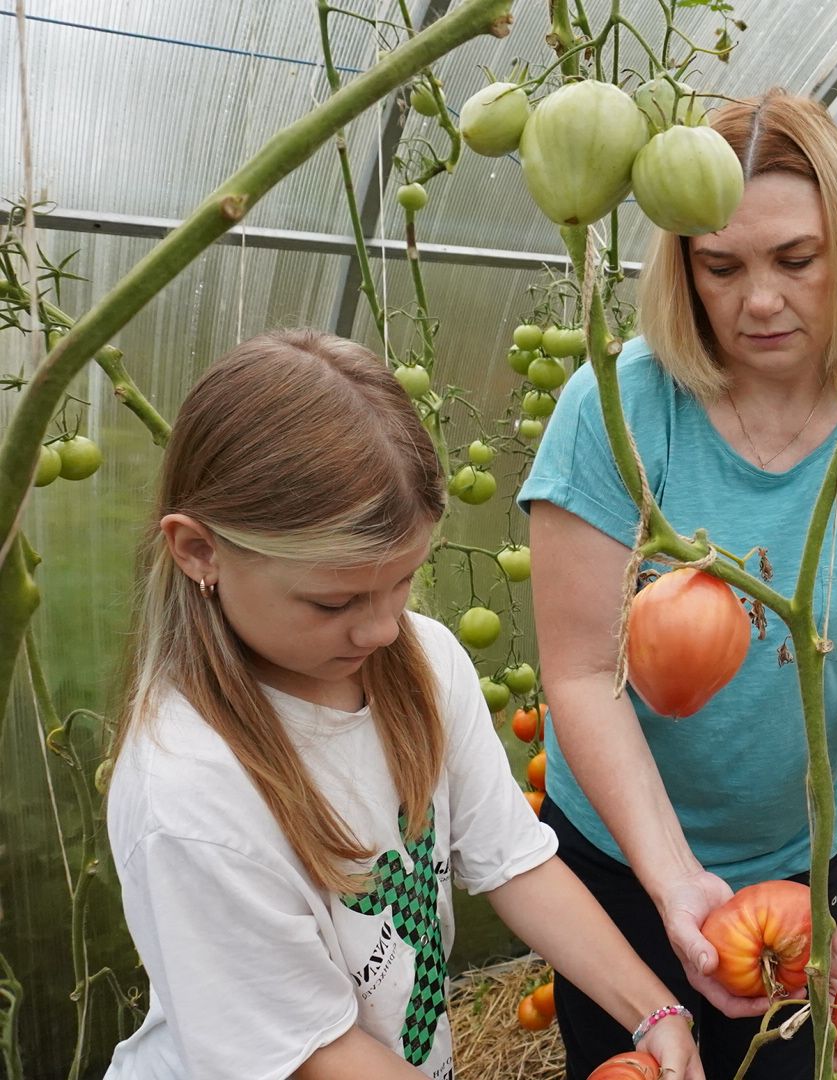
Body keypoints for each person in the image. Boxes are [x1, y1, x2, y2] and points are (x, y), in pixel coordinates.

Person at [520, 88, 837, 1079]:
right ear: (680, 263)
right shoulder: (617, 409)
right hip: (621, 863)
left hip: (813, 866)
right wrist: (674, 880)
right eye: (719, 266)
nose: (758, 300)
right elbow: (581, 673)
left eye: (796, 261)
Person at [103, 331, 703, 1080]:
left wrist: (654, 1010)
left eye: (403, 581)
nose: (384, 627)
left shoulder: (419, 661)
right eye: (334, 601)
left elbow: (514, 863)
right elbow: (314, 1056)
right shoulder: (190, 796)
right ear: (199, 552)